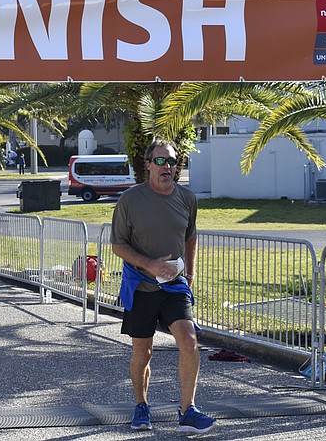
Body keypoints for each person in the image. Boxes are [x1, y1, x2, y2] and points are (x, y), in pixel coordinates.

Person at [110, 139, 215, 434]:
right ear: (147, 165)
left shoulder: (187, 199)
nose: (166, 167)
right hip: (141, 286)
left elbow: (191, 236)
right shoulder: (130, 200)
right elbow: (118, 245)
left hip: (174, 287)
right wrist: (151, 265)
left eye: (171, 161)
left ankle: (188, 410)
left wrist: (190, 274)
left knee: (189, 339)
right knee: (143, 352)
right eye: (160, 161)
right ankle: (142, 406)